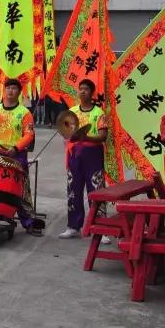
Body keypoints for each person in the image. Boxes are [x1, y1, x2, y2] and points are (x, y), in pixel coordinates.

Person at [0, 78, 43, 234]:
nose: (10, 91)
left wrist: (16, 148)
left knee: (21, 188)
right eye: (8, 87)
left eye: (14, 88)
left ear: (19, 92)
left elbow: (29, 134)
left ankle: (28, 222)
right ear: (4, 90)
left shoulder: (24, 113)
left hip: (17, 155)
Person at [59, 78, 109, 239]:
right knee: (73, 189)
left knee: (96, 189)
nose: (82, 91)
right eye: (80, 88)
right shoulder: (72, 111)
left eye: (86, 89)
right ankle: (73, 225)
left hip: (93, 154)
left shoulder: (99, 113)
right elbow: (66, 132)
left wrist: (86, 138)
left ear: (92, 93)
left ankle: (101, 227)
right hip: (74, 154)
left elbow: (103, 136)